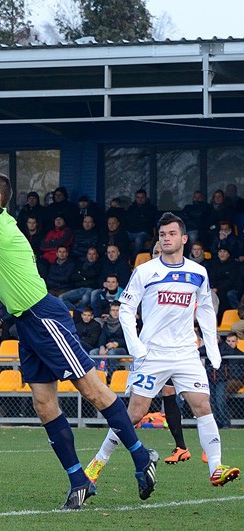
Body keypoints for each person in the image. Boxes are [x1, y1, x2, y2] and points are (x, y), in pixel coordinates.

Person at [0, 133, 157, 509]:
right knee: (43, 404)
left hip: (43, 314)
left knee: (93, 391)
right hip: (26, 321)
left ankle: (140, 455)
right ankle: (79, 480)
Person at [84, 212, 240, 489]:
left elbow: (205, 308)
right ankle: (97, 462)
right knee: (134, 413)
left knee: (203, 405)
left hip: (185, 353)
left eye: (171, 234)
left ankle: (216, 468)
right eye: (162, 235)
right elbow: (128, 309)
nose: (166, 238)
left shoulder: (198, 272)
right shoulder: (145, 271)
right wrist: (135, 345)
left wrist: (212, 344)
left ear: (183, 238)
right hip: (152, 353)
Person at [88, 301, 127, 373]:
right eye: (113, 310)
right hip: (107, 347)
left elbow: (129, 340)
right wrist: (102, 347)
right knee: (93, 352)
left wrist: (116, 344)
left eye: (117, 310)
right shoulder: (106, 323)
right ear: (110, 311)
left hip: (122, 348)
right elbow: (102, 337)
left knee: (112, 353)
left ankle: (110, 376)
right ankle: (98, 375)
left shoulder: (126, 323)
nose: (115, 312)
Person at [124, 189, 158, 256]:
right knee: (122, 237)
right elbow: (126, 222)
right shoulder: (131, 208)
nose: (140, 199)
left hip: (144, 233)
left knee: (138, 239)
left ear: (145, 198)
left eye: (142, 197)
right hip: (131, 232)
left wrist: (154, 237)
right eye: (138, 197)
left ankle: (133, 260)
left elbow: (155, 223)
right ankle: (124, 259)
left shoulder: (151, 209)